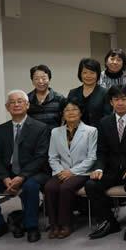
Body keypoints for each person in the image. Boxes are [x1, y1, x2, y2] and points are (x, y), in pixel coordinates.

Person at [0, 90, 50, 243]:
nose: (16, 104)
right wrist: (5, 177)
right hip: (8, 172)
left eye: (19, 101)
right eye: (12, 102)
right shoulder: (0, 130)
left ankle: (31, 226)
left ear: (27, 105)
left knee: (30, 187)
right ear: (7, 107)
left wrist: (22, 176)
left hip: (34, 172)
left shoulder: (41, 128)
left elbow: (41, 157)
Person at [86, 85, 126, 241]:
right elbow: (101, 151)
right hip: (112, 169)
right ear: (111, 102)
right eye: (116, 99)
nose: (120, 103)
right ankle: (110, 221)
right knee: (91, 185)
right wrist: (99, 168)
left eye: (123, 99)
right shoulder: (104, 122)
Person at [44, 100, 97, 239]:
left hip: (82, 172)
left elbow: (91, 158)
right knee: (49, 187)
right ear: (62, 113)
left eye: (74, 109)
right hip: (61, 171)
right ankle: (54, 224)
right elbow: (52, 157)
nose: (71, 112)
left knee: (66, 188)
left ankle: (66, 224)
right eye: (67, 110)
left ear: (80, 112)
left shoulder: (91, 131)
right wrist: (60, 171)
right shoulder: (55, 132)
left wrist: (72, 172)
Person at [67, 58, 112, 127]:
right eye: (85, 72)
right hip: (76, 133)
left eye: (92, 73)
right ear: (80, 74)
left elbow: (107, 117)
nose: (88, 76)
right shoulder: (73, 93)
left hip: (98, 133)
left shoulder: (105, 93)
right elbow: (68, 115)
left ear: (97, 74)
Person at [27, 64, 66, 130]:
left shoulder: (59, 98)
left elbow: (65, 119)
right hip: (34, 138)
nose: (40, 81)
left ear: (49, 79)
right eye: (36, 79)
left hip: (53, 138)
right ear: (32, 81)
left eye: (44, 78)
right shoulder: (27, 99)